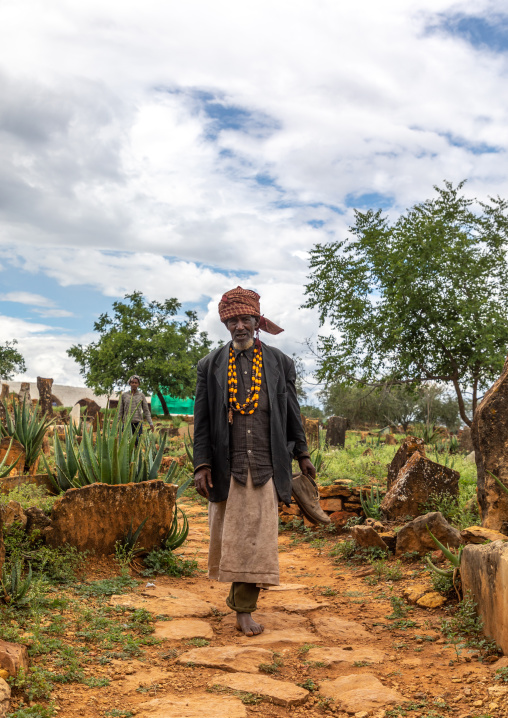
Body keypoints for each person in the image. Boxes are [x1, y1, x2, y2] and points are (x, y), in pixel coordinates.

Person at [193, 286, 315, 636]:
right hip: (227, 466)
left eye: (245, 319)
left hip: (266, 463)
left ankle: (244, 608)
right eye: (232, 321)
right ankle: (242, 608)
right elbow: (202, 421)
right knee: (235, 538)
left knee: (258, 541)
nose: (239, 326)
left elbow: (292, 412)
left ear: (257, 321)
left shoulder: (279, 363)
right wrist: (202, 464)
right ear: (226, 324)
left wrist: (302, 454)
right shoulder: (210, 366)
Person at [118, 375, 154, 443]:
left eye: (136, 383)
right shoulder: (124, 395)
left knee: (137, 443)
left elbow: (146, 410)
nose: (134, 384)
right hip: (126, 423)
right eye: (132, 382)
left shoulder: (141, 395)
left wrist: (150, 423)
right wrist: (117, 423)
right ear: (129, 383)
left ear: (138, 384)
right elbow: (120, 411)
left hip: (137, 423)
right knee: (125, 443)